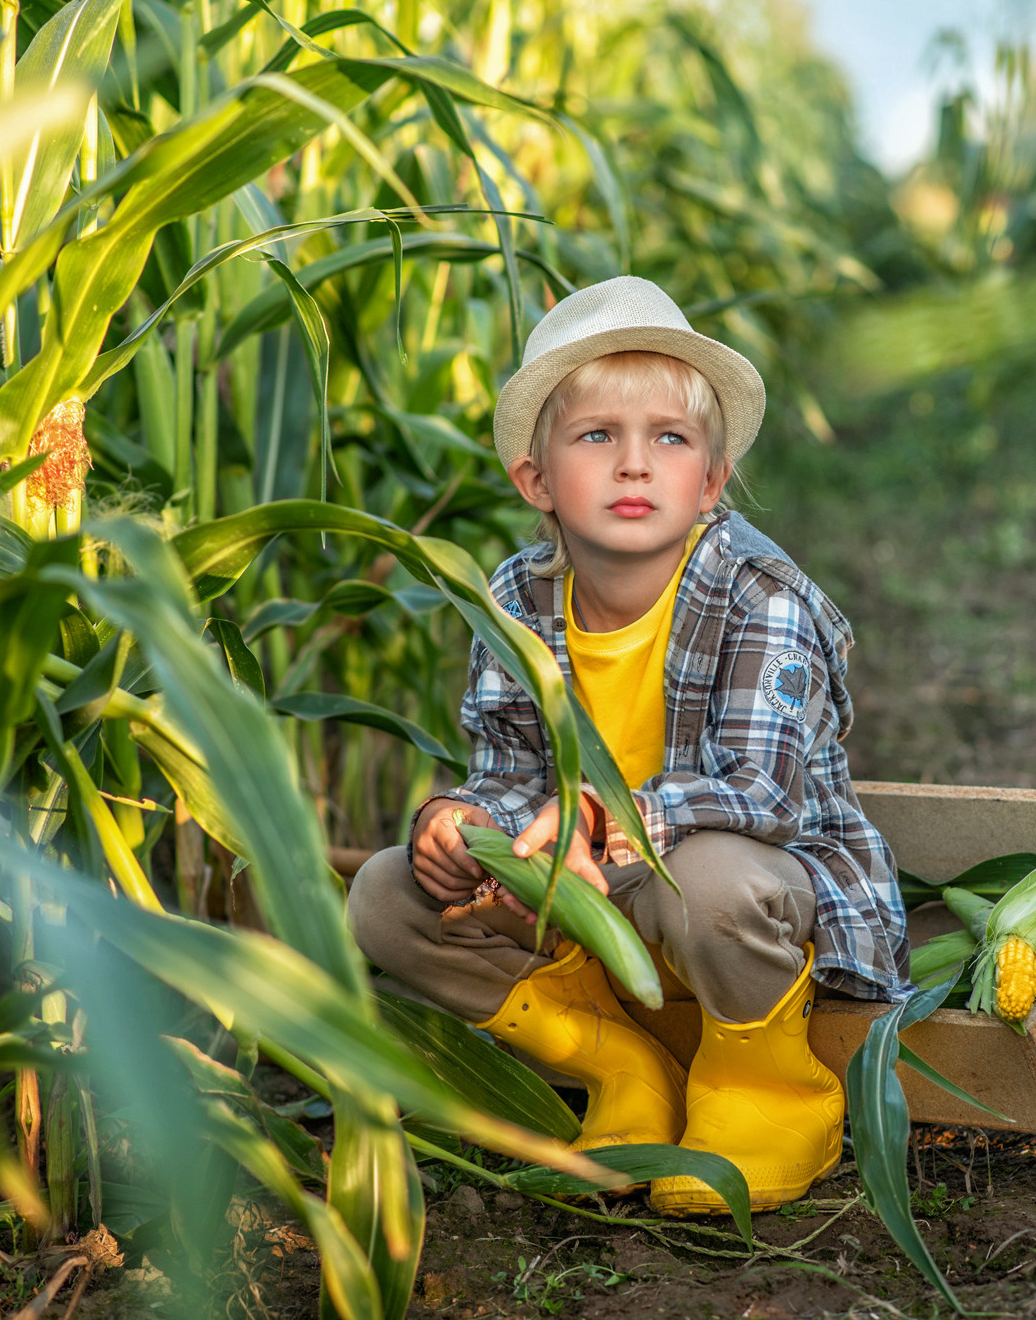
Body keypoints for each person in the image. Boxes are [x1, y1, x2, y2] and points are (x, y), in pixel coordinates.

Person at [346, 276, 909, 1215]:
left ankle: (764, 1086)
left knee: (713, 882)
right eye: (598, 436)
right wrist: (458, 823)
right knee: (386, 895)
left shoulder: (758, 593)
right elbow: (508, 770)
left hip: (736, 884)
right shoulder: (516, 601)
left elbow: (764, 794)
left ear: (711, 481)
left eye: (670, 439)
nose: (635, 465)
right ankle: (623, 1066)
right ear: (537, 480)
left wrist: (609, 816)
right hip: (592, 894)